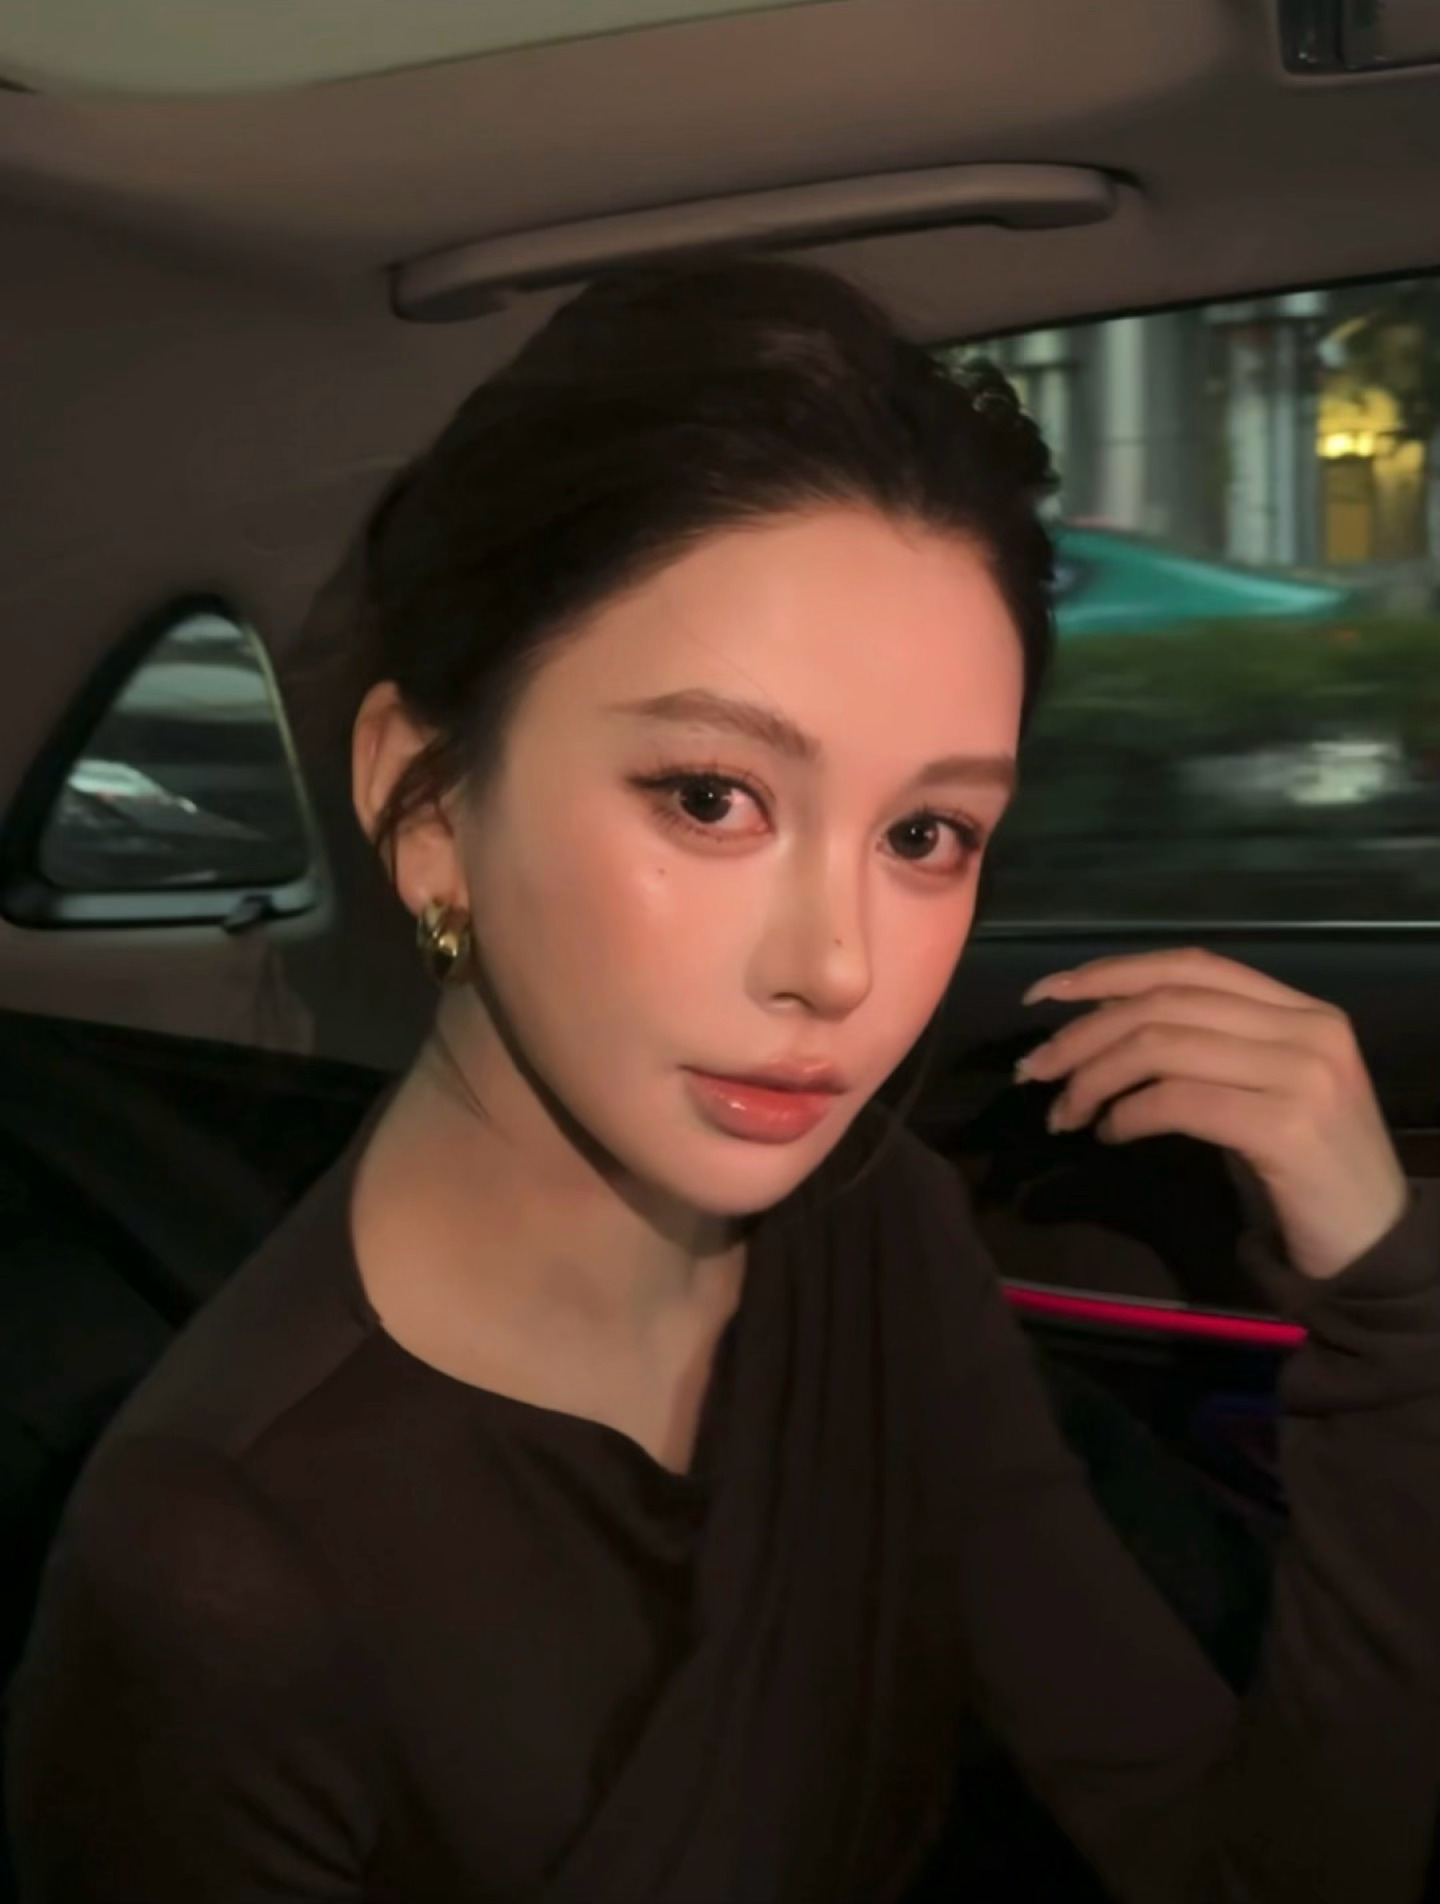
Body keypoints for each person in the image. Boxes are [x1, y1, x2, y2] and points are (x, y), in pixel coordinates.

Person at [4, 255, 1439, 1904]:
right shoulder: (216, 1570)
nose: (836, 965)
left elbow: (1243, 1868)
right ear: (430, 807)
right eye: (709, 797)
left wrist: (1381, 1281)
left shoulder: (869, 1233)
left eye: (927, 833)